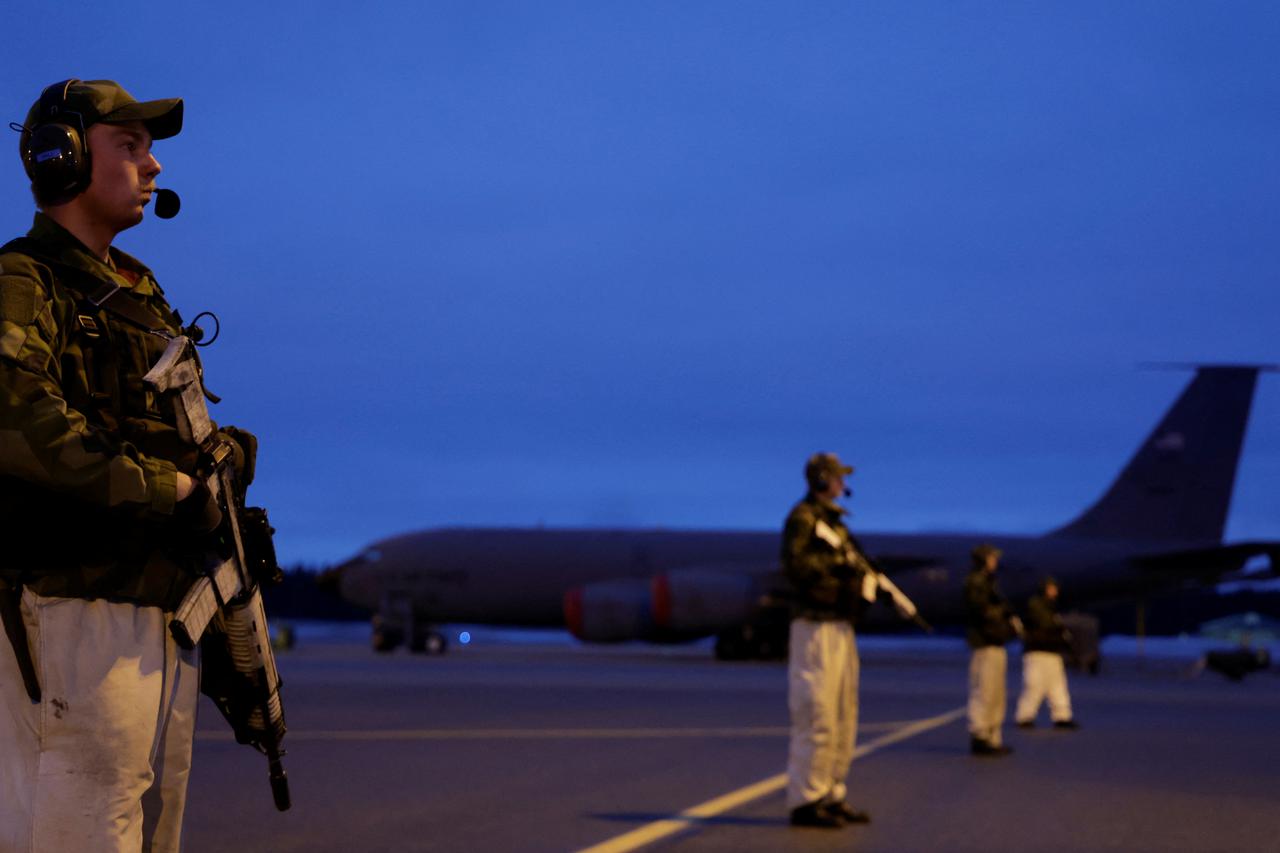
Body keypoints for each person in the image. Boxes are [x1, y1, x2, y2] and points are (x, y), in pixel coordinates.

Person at [0, 78, 252, 852]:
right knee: (74, 831)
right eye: (131, 146)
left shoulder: (138, 297)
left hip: (156, 612)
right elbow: (16, 414)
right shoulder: (25, 279)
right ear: (62, 157)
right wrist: (162, 484)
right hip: (74, 610)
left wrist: (224, 457)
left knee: (145, 830)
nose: (153, 167)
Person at [781, 451, 873, 829]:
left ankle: (832, 792)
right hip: (815, 627)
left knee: (843, 713)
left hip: (839, 625)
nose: (842, 485)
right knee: (816, 712)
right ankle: (806, 800)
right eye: (836, 477)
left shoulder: (836, 524)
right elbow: (796, 566)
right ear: (820, 479)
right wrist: (837, 568)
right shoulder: (802, 520)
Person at [964, 542, 1020, 756]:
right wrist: (1002, 615)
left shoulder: (989, 582)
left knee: (997, 693)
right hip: (984, 643)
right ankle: (980, 735)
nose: (994, 561)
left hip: (995, 643)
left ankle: (993, 736)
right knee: (984, 691)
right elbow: (981, 610)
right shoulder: (976, 582)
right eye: (991, 557)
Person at [1015, 577, 1078, 730]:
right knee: (1034, 685)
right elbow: (1045, 624)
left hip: (1052, 651)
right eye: (1051, 588)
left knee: (1057, 686)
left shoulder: (1052, 608)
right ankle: (1025, 716)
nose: (1055, 591)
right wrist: (1060, 632)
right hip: (1037, 652)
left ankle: (1062, 716)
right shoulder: (1036, 604)